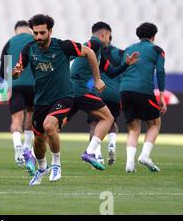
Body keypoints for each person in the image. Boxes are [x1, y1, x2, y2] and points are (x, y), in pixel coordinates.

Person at [13, 14, 105, 185]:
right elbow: (16, 73)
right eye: (36, 33)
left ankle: (56, 164)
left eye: (42, 33)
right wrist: (16, 71)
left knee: (49, 126)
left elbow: (90, 53)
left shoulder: (63, 46)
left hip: (63, 96)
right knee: (38, 140)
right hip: (41, 100)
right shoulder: (29, 49)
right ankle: (42, 168)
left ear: (50, 31)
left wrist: (97, 79)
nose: (39, 37)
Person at [67, 22, 138, 170]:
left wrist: (126, 64)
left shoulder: (98, 53)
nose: (109, 38)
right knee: (108, 118)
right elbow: (80, 51)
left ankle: (37, 152)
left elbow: (111, 72)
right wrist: (97, 79)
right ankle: (90, 152)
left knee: (57, 124)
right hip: (81, 89)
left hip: (73, 90)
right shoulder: (94, 42)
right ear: (104, 34)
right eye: (109, 35)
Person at [121, 22, 166, 173]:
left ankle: (129, 163)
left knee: (133, 129)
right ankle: (145, 156)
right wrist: (161, 95)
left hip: (125, 90)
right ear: (154, 36)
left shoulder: (128, 49)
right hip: (143, 90)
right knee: (154, 124)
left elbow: (122, 70)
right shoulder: (157, 50)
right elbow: (160, 72)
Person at [0, 20, 35, 171]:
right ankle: (27, 147)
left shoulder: (10, 43)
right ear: (30, 30)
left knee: (16, 119)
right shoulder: (35, 41)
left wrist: (9, 85)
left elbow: (3, 71)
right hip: (34, 86)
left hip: (15, 86)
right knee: (31, 116)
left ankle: (17, 148)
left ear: (16, 31)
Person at [87, 32, 124, 165]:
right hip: (114, 93)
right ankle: (112, 145)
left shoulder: (94, 52)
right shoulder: (120, 53)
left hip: (98, 91)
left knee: (94, 123)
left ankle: (97, 154)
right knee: (111, 121)